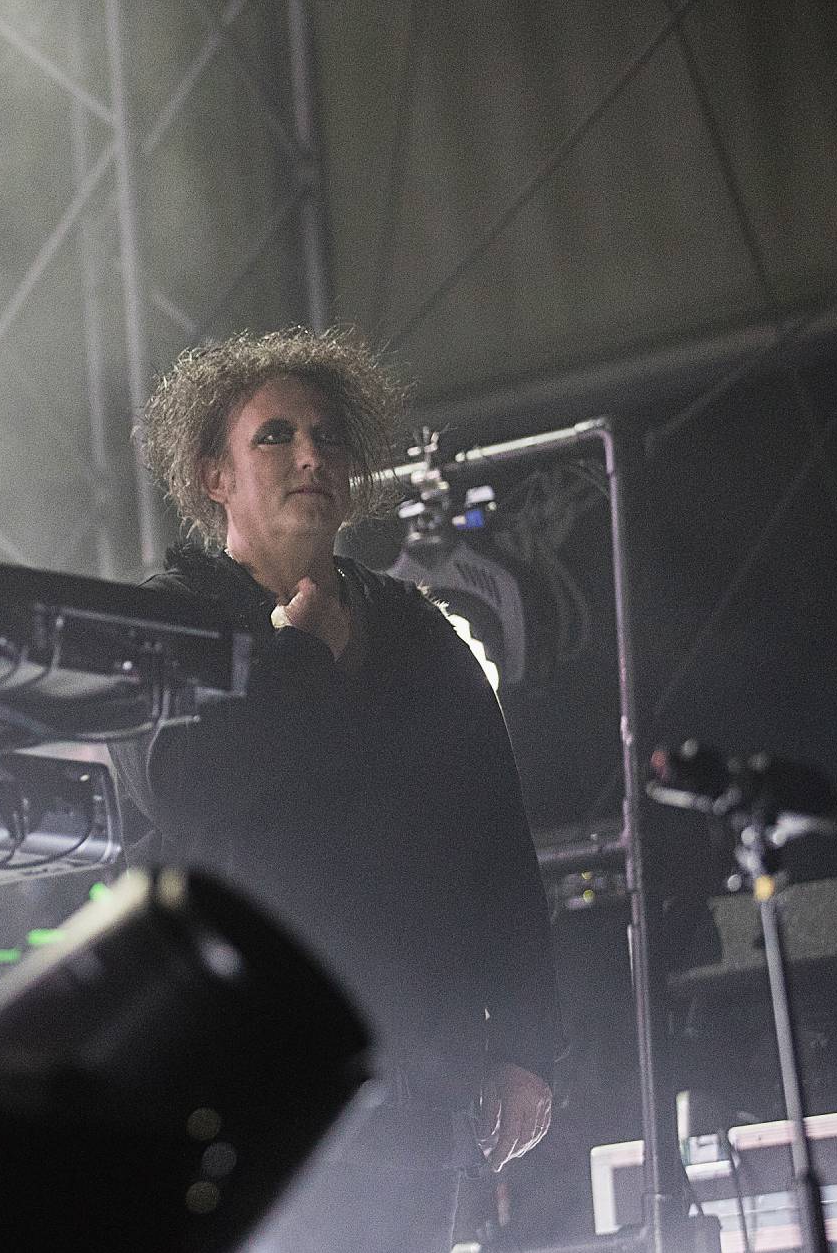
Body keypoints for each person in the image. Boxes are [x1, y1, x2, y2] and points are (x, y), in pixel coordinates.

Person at [117, 328, 559, 1251]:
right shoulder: (170, 621)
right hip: (244, 1097)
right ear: (213, 476)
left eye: (327, 436)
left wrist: (525, 1043)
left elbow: (495, 844)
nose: (311, 455)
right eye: (275, 436)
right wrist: (302, 655)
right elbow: (181, 786)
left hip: (415, 1090)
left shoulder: (416, 631)